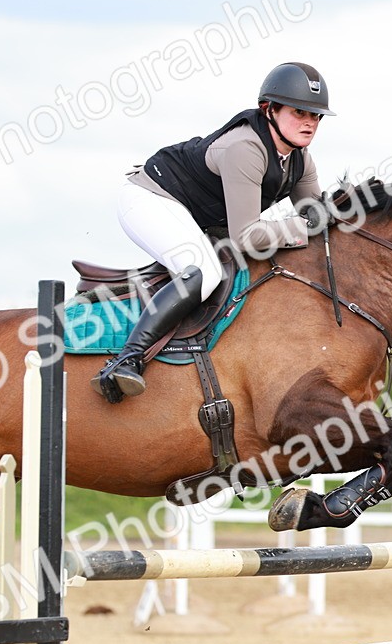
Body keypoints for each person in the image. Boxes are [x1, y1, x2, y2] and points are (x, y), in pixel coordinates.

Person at [92, 61, 334, 403]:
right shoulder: (245, 149)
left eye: (316, 116)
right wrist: (303, 226)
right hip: (149, 199)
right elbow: (247, 236)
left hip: (192, 214)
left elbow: (315, 215)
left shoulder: (300, 159)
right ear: (270, 110)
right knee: (203, 271)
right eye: (300, 112)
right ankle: (127, 359)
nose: (310, 122)